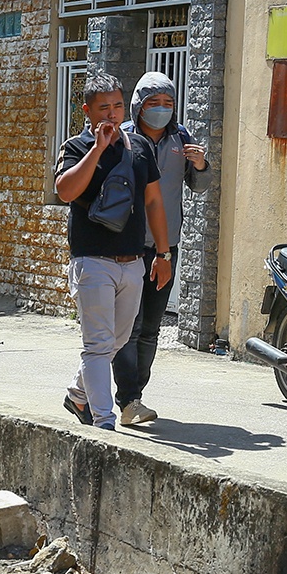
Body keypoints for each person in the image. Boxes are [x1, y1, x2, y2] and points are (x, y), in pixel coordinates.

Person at [55, 70, 174, 429]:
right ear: (87, 111)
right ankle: (103, 420)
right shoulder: (75, 147)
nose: (111, 114)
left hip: (133, 261)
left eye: (118, 106)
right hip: (92, 261)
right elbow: (65, 191)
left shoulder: (139, 147)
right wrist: (97, 148)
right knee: (98, 344)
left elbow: (154, 202)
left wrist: (164, 255)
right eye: (103, 107)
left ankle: (78, 394)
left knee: (118, 338)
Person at [112, 71, 208, 426]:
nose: (162, 110)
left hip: (166, 245)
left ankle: (135, 393)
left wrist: (199, 164)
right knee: (128, 325)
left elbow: (200, 185)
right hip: (128, 245)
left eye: (168, 103)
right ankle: (128, 399)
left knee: (151, 326)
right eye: (154, 104)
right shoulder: (122, 137)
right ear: (139, 106)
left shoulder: (180, 138)